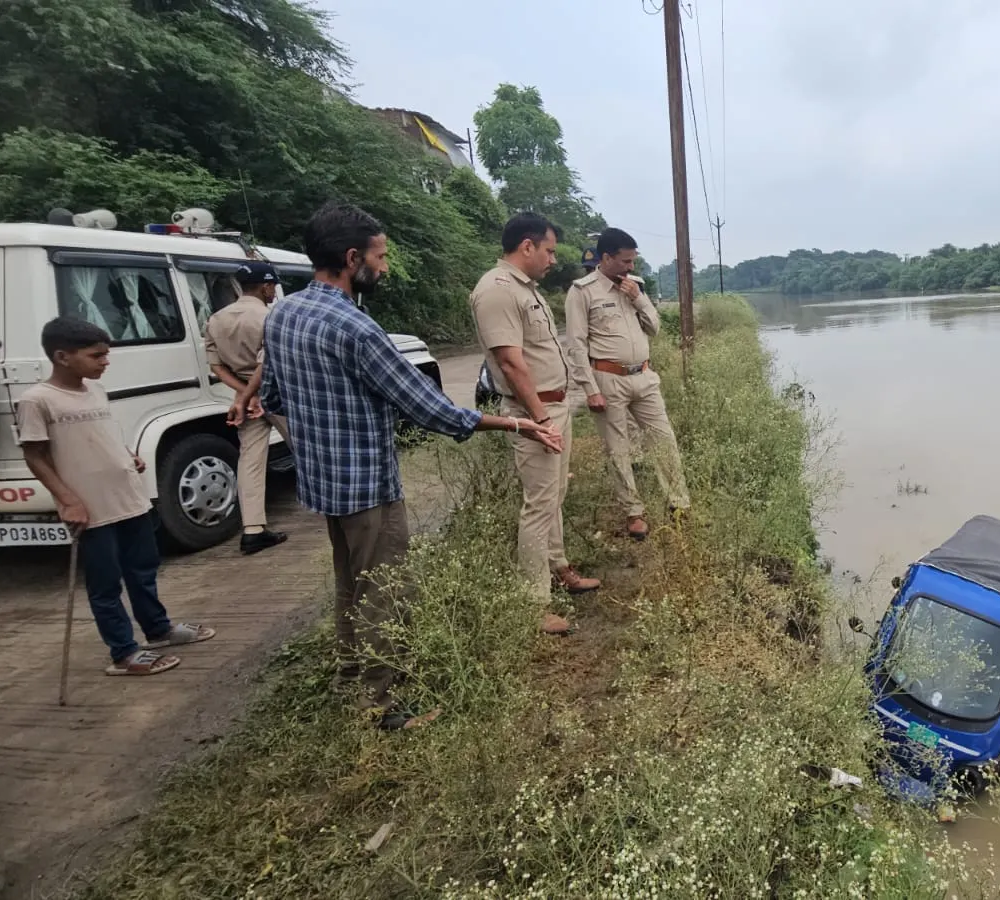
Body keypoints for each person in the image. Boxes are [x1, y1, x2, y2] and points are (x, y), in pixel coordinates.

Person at [256, 202, 561, 730]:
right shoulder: (356, 328)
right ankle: (383, 704)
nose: (386, 267)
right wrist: (516, 424)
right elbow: (429, 408)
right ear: (352, 259)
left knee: (350, 581)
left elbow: (272, 396)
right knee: (385, 589)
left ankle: (349, 676)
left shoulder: (282, 314)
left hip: (323, 482)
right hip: (367, 485)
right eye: (380, 257)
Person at [17, 317, 216, 677]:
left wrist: (127, 455)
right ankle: (124, 652)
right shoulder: (38, 400)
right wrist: (68, 500)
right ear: (62, 356)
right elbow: (35, 457)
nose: (105, 362)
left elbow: (104, 432)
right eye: (96, 356)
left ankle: (158, 630)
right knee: (105, 584)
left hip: (128, 497)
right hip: (91, 508)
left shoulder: (95, 390)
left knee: (143, 570)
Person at [470, 213, 602, 602]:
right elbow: (511, 364)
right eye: (549, 251)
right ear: (527, 246)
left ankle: (559, 568)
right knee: (539, 506)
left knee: (554, 497)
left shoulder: (525, 288)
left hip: (553, 408)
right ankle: (534, 600)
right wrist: (540, 420)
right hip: (534, 413)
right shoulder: (496, 290)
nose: (553, 260)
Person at [565, 227, 691, 540]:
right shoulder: (583, 292)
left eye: (633, 261)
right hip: (608, 379)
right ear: (606, 258)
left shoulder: (635, 286)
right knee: (618, 449)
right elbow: (576, 345)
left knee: (664, 440)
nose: (630, 266)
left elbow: (655, 328)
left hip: (644, 377)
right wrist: (590, 389)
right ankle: (634, 513)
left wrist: (638, 299)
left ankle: (679, 504)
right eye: (625, 261)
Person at [204, 260, 288, 555]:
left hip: (247, 400)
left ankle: (252, 530)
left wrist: (244, 396)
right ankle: (333, 511)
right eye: (273, 286)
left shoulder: (216, 319)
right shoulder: (271, 316)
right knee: (309, 450)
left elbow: (217, 367)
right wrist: (256, 394)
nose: (274, 292)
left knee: (250, 460)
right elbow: (267, 362)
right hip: (281, 395)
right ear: (265, 286)